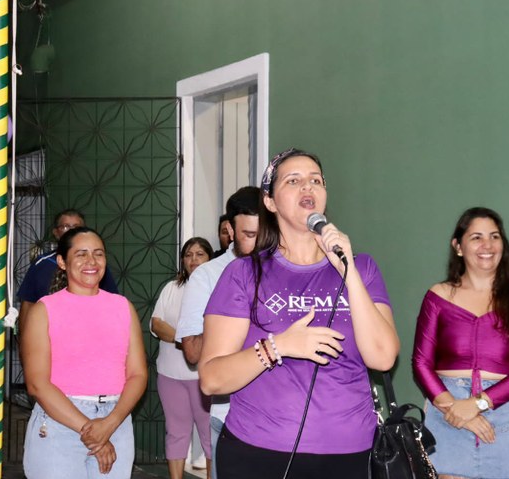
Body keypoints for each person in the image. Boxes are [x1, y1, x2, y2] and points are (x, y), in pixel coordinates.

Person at [198, 148, 399, 479]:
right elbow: (212, 378)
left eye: (316, 180)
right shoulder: (243, 273)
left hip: (350, 454)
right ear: (270, 201)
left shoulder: (361, 267)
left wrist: (346, 270)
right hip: (258, 453)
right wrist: (279, 346)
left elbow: (383, 357)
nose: (308, 186)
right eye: (293, 181)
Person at [412, 207, 509, 479]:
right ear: (458, 246)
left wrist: (478, 404)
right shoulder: (439, 296)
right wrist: (454, 408)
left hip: (505, 415)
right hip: (446, 414)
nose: (487, 245)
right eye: (476, 237)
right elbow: (421, 362)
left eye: (494, 236)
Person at [21, 227, 147, 478]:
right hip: (60, 422)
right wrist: (91, 430)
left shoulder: (123, 307)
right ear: (62, 262)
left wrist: (109, 424)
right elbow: (37, 384)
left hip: (116, 421)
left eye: (98, 254)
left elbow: (138, 374)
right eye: (81, 254)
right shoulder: (43, 310)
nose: (91, 261)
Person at [175, 186, 261, 479]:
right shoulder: (208, 275)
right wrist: (233, 319)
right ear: (230, 231)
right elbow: (192, 352)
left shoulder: (283, 269)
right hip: (230, 418)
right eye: (250, 234)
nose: (259, 242)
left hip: (283, 419)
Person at [151, 237, 215, 479]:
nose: (193, 259)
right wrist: (187, 341)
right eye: (188, 255)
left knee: (209, 435)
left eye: (200, 254)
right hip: (170, 375)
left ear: (210, 258)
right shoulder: (171, 288)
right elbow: (157, 324)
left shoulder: (218, 288)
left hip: (204, 377)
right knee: (176, 432)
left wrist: (182, 338)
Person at [17, 209, 119, 331]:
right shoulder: (41, 264)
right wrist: (23, 337)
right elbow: (28, 303)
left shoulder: (95, 267)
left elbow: (112, 303)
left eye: (77, 227)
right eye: (65, 227)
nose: (71, 231)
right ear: (55, 232)